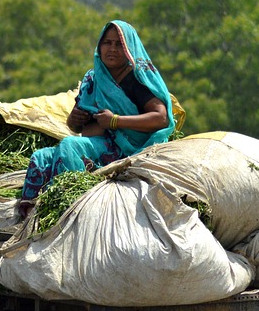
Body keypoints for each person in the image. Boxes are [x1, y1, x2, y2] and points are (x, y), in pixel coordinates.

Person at [18, 20, 175, 217]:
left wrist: (115, 121)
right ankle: (31, 217)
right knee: (40, 157)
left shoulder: (136, 79)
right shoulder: (93, 78)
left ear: (129, 48)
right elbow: (74, 127)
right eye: (107, 43)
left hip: (127, 150)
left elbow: (161, 118)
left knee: (70, 146)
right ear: (99, 46)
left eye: (119, 44)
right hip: (95, 144)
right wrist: (74, 119)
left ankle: (65, 209)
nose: (112, 49)